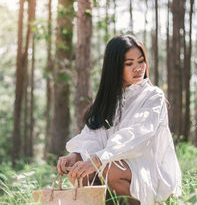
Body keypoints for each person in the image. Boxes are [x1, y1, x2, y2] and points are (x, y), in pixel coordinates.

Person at [57, 35, 182, 205]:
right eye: (129, 64)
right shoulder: (106, 100)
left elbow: (136, 136)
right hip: (114, 167)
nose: (138, 68)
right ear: (114, 67)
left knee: (109, 169)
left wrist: (98, 159)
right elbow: (91, 136)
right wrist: (75, 156)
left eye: (141, 61)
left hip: (149, 170)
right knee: (81, 170)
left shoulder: (153, 96)